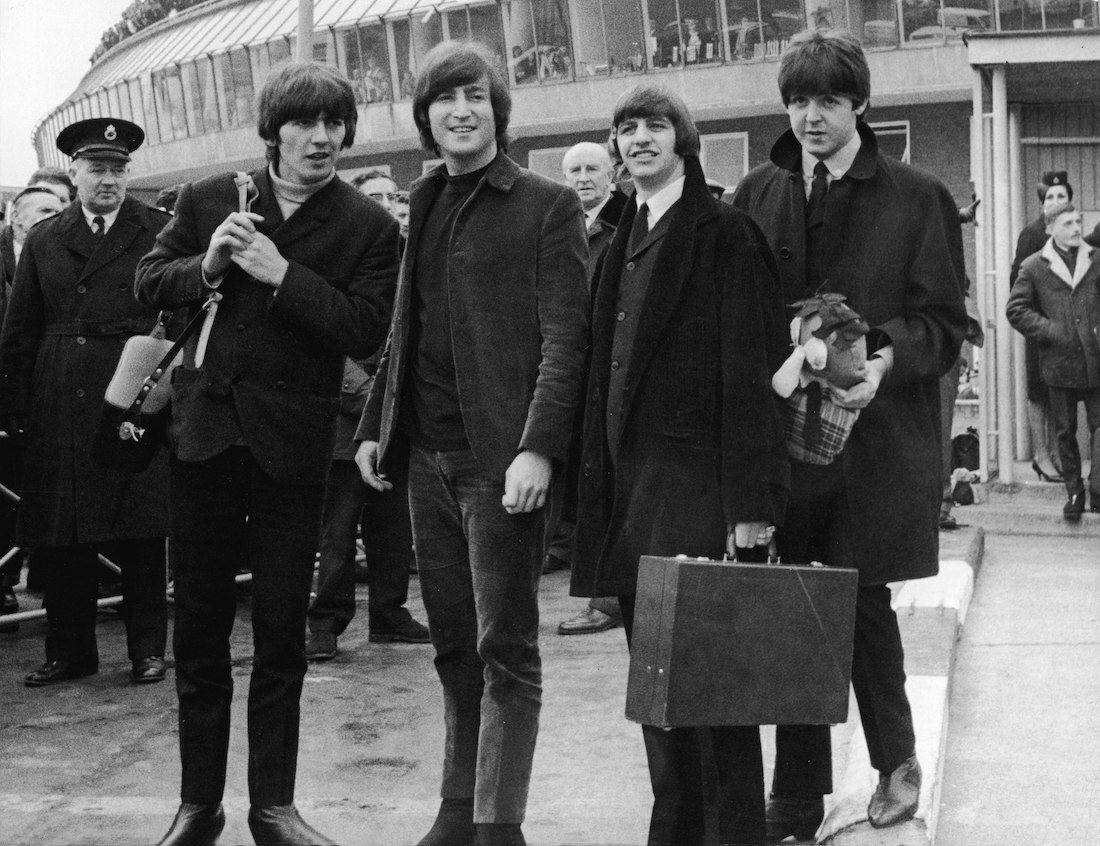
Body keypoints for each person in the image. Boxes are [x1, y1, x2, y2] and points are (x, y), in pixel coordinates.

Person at [136, 62, 399, 846]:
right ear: (273, 130)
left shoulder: (368, 225)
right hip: (204, 439)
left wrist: (284, 276)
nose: (322, 139)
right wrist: (208, 264)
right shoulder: (213, 196)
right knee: (202, 629)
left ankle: (272, 807)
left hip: (294, 448)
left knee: (282, 631)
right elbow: (151, 281)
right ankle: (198, 804)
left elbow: (364, 328)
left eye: (335, 125)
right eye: (304, 124)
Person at [731, 30, 967, 836]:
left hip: (875, 444)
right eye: (797, 101)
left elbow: (944, 324)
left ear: (861, 103)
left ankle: (895, 765)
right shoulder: (756, 193)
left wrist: (882, 361)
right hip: (782, 447)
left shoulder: (916, 196)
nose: (811, 117)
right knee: (795, 602)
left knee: (863, 605)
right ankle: (795, 790)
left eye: (828, 100)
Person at [354, 40, 588, 846]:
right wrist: (372, 428)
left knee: (506, 648)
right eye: (446, 99)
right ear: (425, 117)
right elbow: (402, 331)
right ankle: (458, 811)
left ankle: (499, 824)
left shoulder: (546, 204)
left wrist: (539, 449)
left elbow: (567, 341)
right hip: (425, 458)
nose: (461, 111)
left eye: (475, 98)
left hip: (500, 464)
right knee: (454, 644)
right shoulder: (422, 202)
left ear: (498, 112)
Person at [569, 84, 789, 846]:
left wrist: (750, 504)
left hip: (701, 495)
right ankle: (676, 832)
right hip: (633, 500)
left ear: (683, 140)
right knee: (659, 691)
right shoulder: (620, 235)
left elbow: (751, 372)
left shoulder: (725, 233)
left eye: (654, 126)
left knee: (715, 696)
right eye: (625, 129)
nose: (638, 140)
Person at [0, 117, 172, 688]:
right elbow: (21, 327)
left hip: (132, 383)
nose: (109, 180)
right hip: (60, 391)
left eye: (119, 169)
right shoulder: (47, 238)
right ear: (73, 173)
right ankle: (70, 650)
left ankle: (149, 649)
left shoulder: (159, 231)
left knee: (143, 526)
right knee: (63, 531)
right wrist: (15, 406)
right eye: (97, 168)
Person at [306, 169, 428, 661]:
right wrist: (372, 399)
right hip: (345, 424)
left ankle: (389, 613)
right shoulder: (332, 257)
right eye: (370, 197)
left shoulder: (407, 259)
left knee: (392, 525)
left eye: (389, 197)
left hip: (394, 419)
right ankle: (326, 624)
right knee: (337, 530)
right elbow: (325, 339)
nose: (382, 206)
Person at [553, 141, 628, 636]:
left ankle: (609, 599)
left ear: (612, 175)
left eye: (592, 169)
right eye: (573, 170)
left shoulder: (623, 226)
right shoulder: (562, 226)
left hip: (606, 368)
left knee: (607, 482)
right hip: (568, 369)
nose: (582, 177)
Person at [1007, 202, 1100, 520]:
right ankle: (1074, 492)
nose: (1076, 228)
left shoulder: (1096, 260)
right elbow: (1015, 309)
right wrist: (1048, 329)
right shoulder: (1034, 266)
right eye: (1068, 223)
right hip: (1058, 364)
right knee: (1065, 431)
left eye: (1078, 222)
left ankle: (1098, 490)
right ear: (1050, 229)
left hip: (1095, 361)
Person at [1011, 171, 1074, 483]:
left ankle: (1060, 454)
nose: (1056, 202)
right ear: (1042, 203)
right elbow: (1016, 284)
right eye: (1050, 197)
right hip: (1039, 328)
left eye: (1061, 196)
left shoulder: (1071, 233)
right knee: (1039, 393)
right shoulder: (1032, 234)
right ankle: (1041, 456)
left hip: (1067, 328)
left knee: (1060, 390)